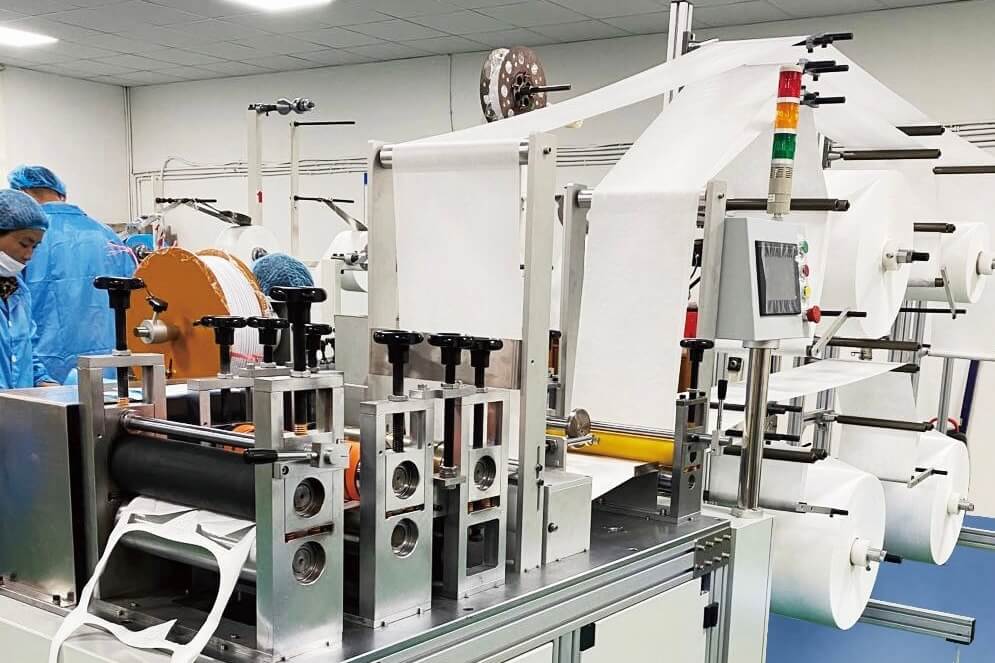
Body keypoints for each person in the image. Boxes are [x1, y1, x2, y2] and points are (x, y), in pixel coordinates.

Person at [9, 166, 137, 384]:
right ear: (62, 193)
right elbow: (135, 302)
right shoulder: (108, 235)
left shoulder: (23, 237)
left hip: (41, 368)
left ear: (22, 194)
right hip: (106, 366)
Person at [0, 189, 55, 389]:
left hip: (15, 405)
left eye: (35, 247)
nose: (28, 255)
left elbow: (26, 352)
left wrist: (44, 382)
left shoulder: (17, 290)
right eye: (24, 244)